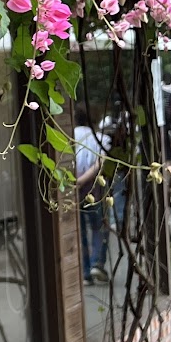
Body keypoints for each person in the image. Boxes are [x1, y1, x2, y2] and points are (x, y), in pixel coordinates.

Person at [75, 106, 108, 285]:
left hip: (74, 189)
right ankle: (97, 263)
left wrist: (76, 181)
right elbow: (99, 163)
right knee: (98, 227)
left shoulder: (69, 136)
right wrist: (85, 179)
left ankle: (85, 272)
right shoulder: (99, 138)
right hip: (94, 189)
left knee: (80, 231)